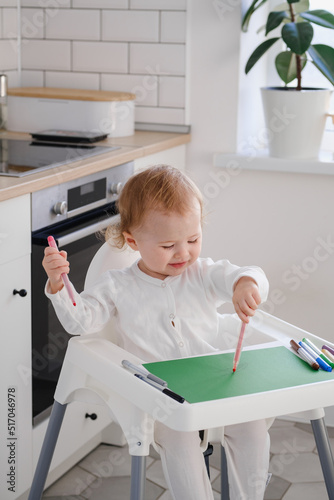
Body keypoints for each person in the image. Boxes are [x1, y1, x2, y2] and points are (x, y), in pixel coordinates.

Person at [43, 164, 271, 500]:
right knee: (180, 438)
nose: (183, 253)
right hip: (158, 398)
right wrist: (58, 283)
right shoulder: (117, 285)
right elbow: (81, 322)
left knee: (252, 426)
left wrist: (246, 285)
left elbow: (245, 273)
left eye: (193, 239)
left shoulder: (203, 273)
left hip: (212, 386)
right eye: (168, 245)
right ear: (133, 241)